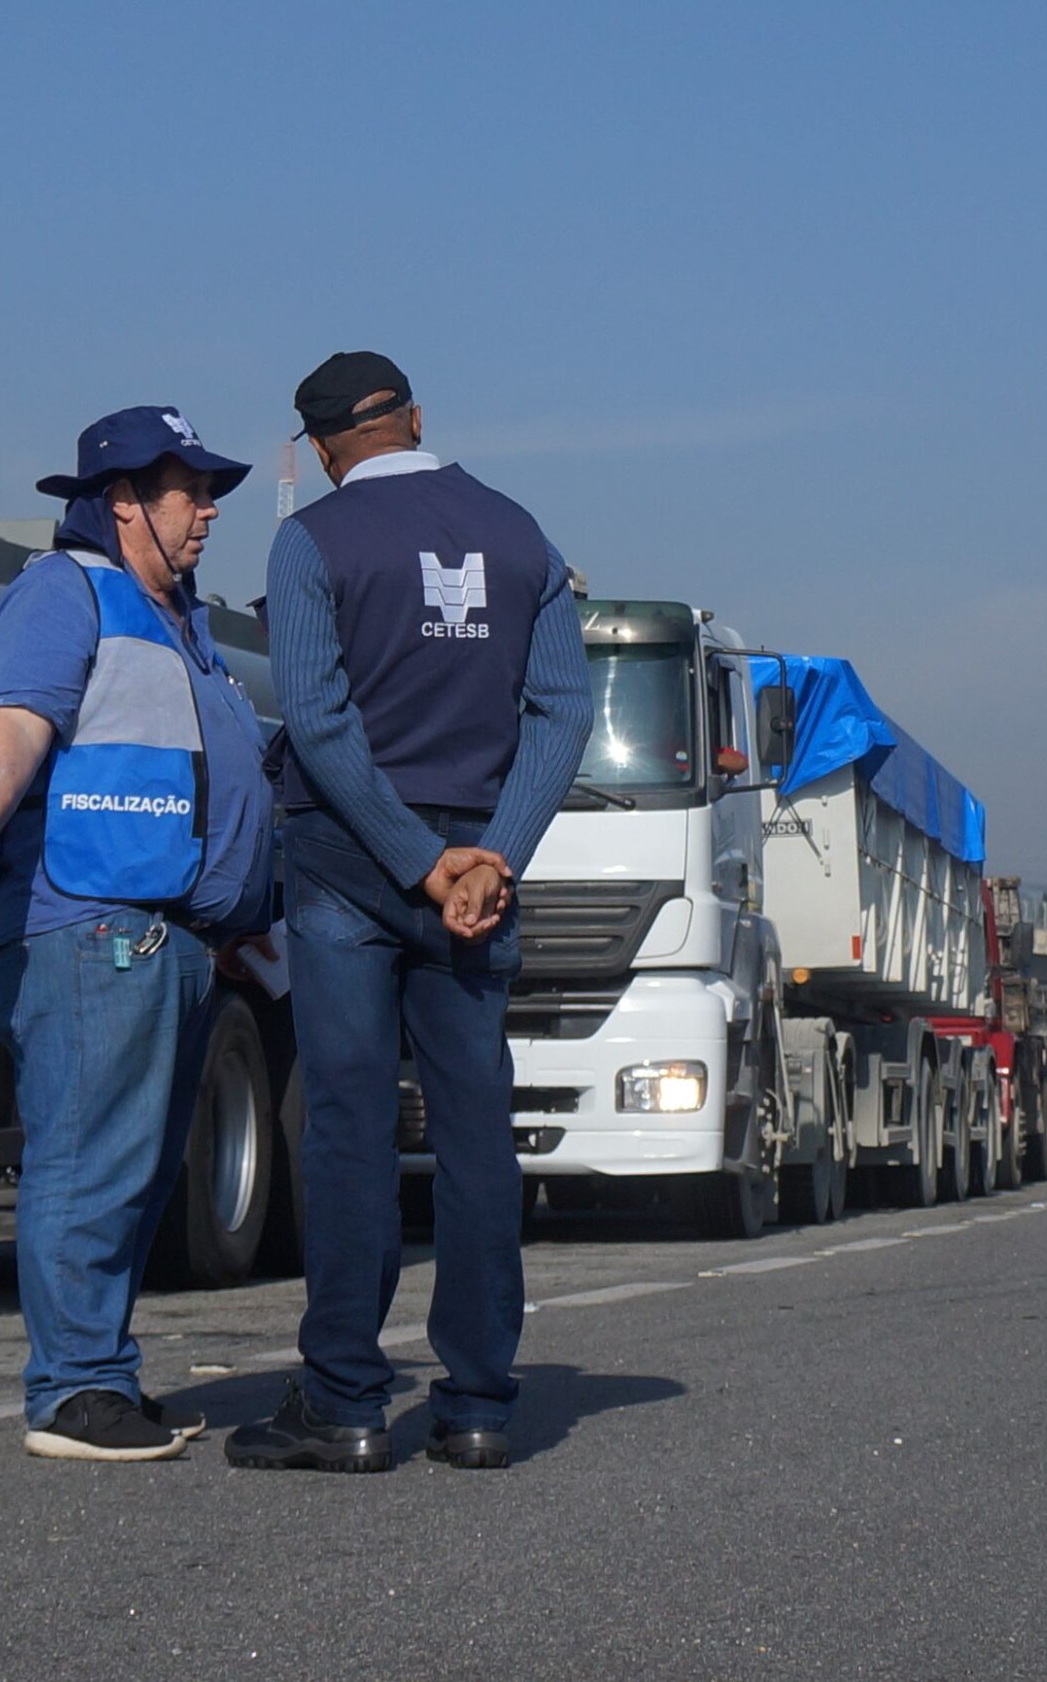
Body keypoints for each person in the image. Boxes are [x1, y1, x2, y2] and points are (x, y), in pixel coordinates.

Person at [225, 352, 589, 1474]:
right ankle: (478, 1400)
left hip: (349, 861)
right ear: (419, 419)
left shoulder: (313, 542)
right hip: (481, 867)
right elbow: (563, 711)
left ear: (323, 449)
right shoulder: (525, 535)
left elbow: (320, 723)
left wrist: (415, 863)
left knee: (347, 1122)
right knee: (475, 1120)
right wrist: (490, 858)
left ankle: (345, 1398)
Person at [0, 406, 273, 1461]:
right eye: (187, 493)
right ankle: (71, 1391)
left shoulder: (178, 619)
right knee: (86, 1160)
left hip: (163, 940)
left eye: (209, 493)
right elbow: (17, 718)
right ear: (121, 503)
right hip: (90, 933)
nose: (207, 513)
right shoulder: (61, 591)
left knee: (137, 1168)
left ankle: (102, 1371)